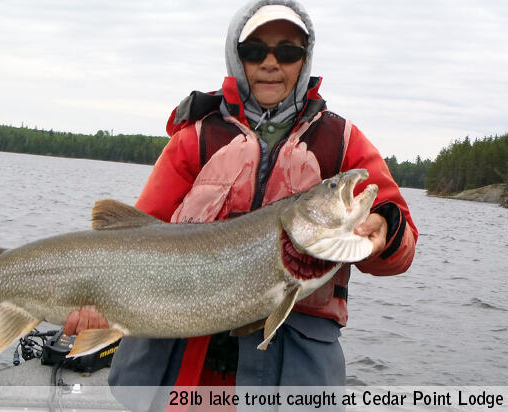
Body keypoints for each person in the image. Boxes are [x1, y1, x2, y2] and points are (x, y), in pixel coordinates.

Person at [65, 0, 417, 409]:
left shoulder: (343, 142)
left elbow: (400, 243)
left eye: (288, 51)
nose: (271, 63)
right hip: (181, 374)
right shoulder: (194, 139)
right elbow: (135, 237)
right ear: (236, 56)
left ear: (305, 60)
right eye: (255, 50)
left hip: (289, 379)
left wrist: (385, 232)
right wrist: (97, 300)